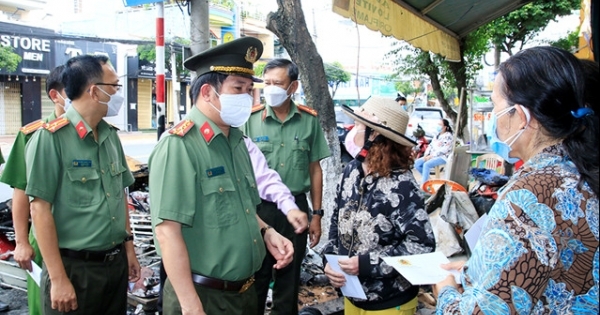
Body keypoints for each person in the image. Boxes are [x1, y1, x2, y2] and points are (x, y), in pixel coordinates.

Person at [434, 47, 599, 314]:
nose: (493, 118)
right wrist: (472, 272)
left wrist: (447, 292)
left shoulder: (529, 196)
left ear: (520, 116)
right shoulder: (579, 168)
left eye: (496, 106)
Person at [149, 36, 294, 315]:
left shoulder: (237, 142)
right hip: (203, 298)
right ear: (207, 92)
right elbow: (167, 232)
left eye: (250, 90)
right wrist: (191, 307)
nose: (248, 98)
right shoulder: (179, 146)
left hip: (244, 295)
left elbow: (242, 208)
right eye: (238, 88)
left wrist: (267, 231)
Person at [25, 55, 141, 315]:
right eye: (114, 86)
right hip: (74, 269)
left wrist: (129, 249)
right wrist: (58, 279)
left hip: (114, 265)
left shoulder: (110, 137)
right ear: (94, 90)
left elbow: (120, 196)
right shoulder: (50, 138)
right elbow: (39, 210)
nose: (117, 93)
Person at [323, 98, 436, 314]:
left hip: (390, 301)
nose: (350, 131)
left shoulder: (402, 185)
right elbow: (336, 224)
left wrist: (366, 264)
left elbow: (422, 246)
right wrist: (328, 261)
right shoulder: (351, 171)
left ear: (374, 135)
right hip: (352, 295)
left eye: (358, 126)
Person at [243, 58, 331, 315]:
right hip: (259, 209)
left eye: (278, 83)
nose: (271, 88)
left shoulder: (308, 121)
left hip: (297, 211)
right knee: (256, 276)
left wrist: (317, 215)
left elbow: (315, 170)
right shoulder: (250, 120)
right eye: (267, 82)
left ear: (293, 87)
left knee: (289, 279)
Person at [0, 65, 67, 315]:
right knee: (45, 303)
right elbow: (20, 191)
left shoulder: (98, 134)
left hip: (87, 241)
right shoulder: (33, 135)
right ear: (55, 95)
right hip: (44, 237)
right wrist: (20, 242)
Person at [413, 118, 453, 184]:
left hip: (442, 157)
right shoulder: (437, 135)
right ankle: (428, 180)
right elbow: (430, 145)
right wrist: (426, 154)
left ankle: (424, 185)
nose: (438, 126)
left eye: (440, 124)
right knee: (417, 163)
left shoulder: (448, 136)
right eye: (438, 124)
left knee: (426, 165)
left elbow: (444, 150)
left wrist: (431, 156)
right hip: (431, 156)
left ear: (445, 127)